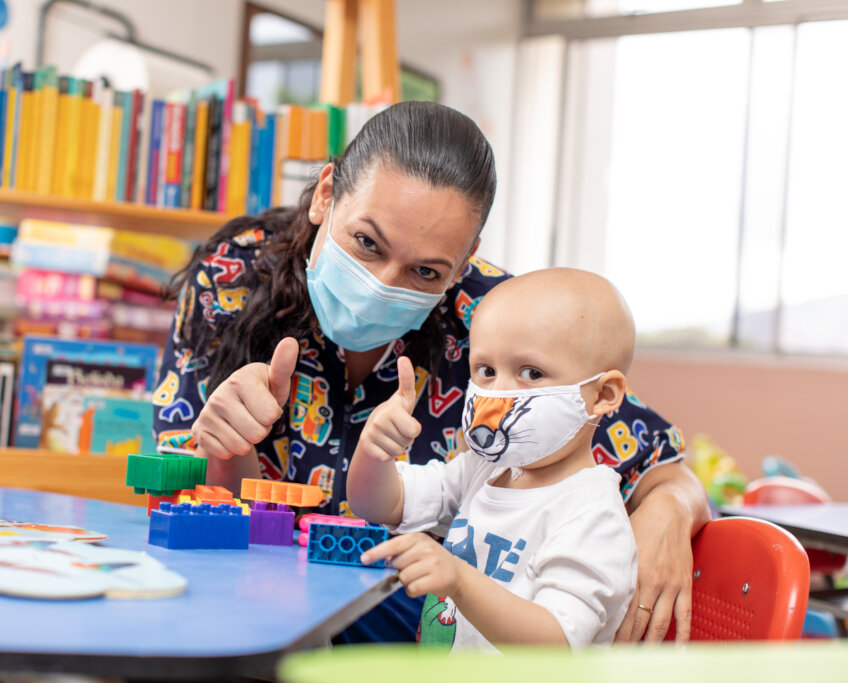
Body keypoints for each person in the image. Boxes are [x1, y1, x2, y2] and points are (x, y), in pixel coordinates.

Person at [151, 101, 710, 643]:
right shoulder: (233, 275)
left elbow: (659, 462)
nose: (383, 283)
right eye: (367, 243)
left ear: (464, 262)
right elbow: (186, 505)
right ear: (326, 194)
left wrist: (667, 512)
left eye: (425, 270)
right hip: (243, 602)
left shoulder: (498, 323)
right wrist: (228, 447)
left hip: (415, 625)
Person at [348, 268, 638, 649]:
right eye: (486, 370)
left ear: (602, 395)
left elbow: (556, 645)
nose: (498, 394)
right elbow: (378, 504)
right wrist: (375, 451)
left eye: (531, 373)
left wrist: (460, 580)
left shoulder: (592, 516)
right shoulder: (482, 470)